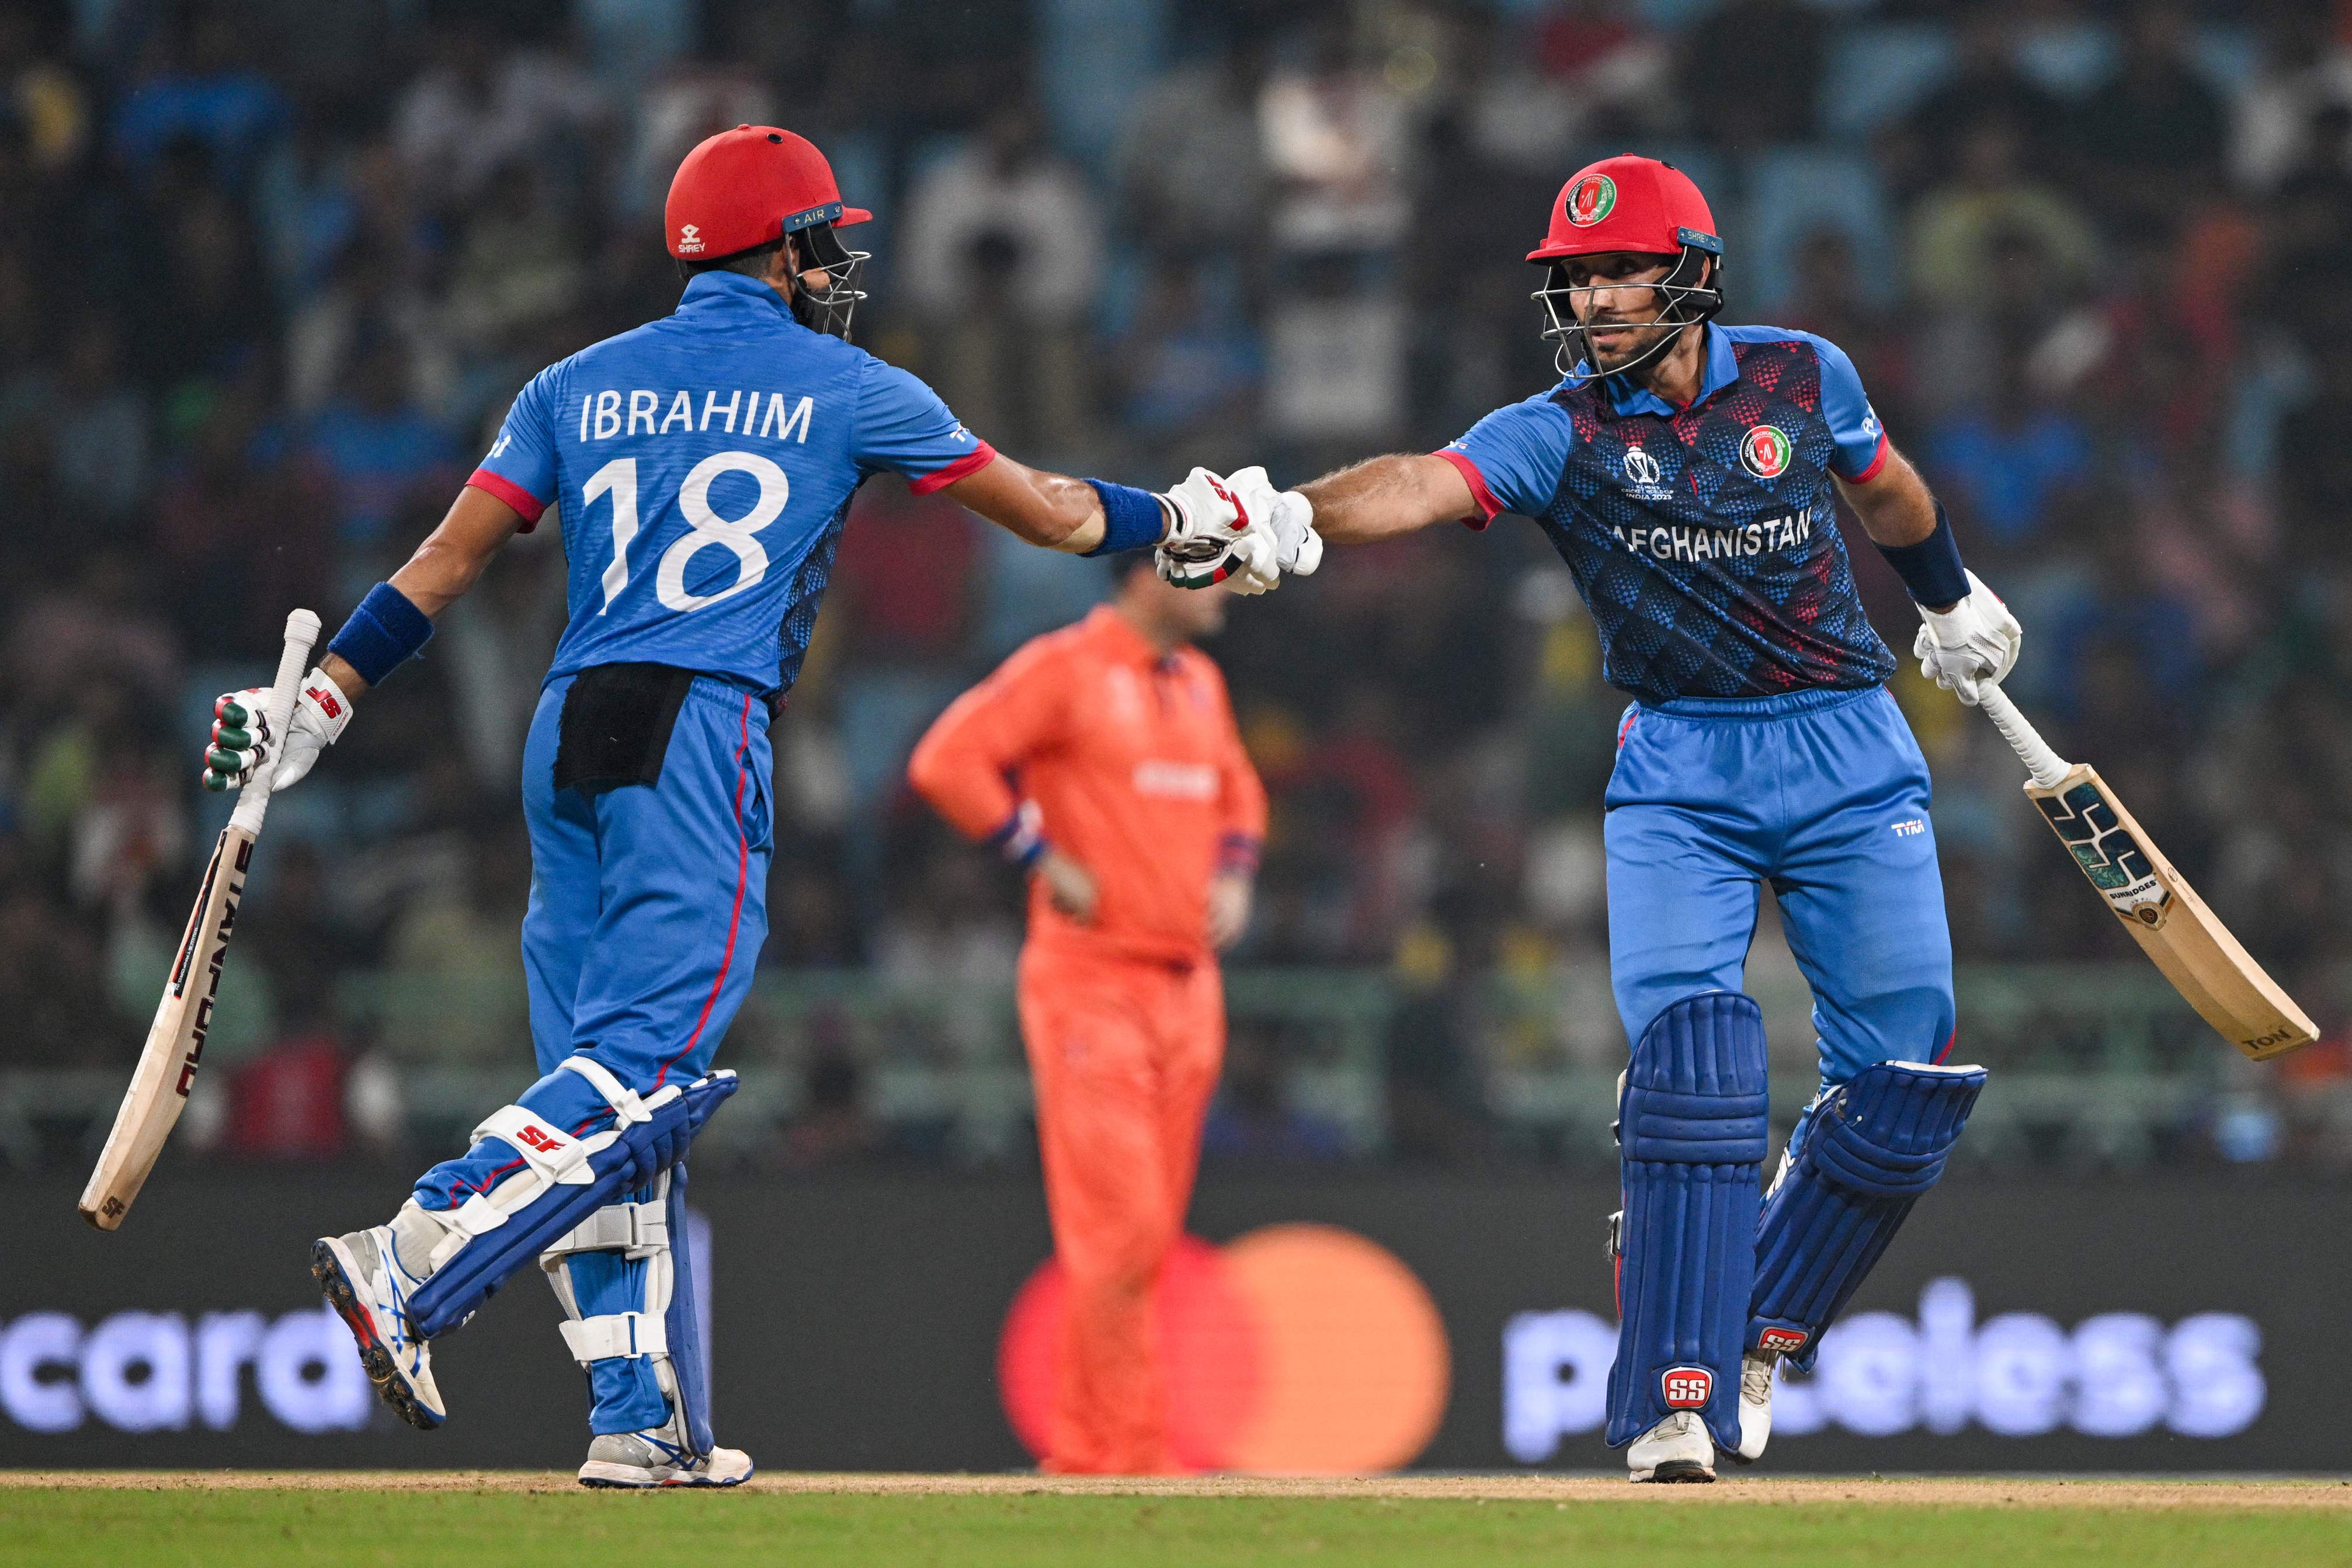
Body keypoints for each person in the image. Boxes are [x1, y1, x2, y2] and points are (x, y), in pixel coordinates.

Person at [199, 124, 1260, 1489]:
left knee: (601, 1080)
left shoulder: (572, 382)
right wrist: (1179, 515)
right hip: (702, 723)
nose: (838, 265)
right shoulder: (848, 382)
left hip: (570, 721)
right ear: (785, 248)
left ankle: (639, 1419)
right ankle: (408, 1252)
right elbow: (1051, 515)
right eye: (826, 239)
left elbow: (444, 561)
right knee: (641, 1069)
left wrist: (323, 702)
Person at [1188, 156, 2019, 1482]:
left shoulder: (1802, 373)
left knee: (1908, 1080)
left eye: (1613, 270)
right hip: (1682, 767)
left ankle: (1760, 1328)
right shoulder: (1563, 425)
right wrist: (1294, 511)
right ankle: (1665, 1400)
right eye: (1572, 276)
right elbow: (1425, 479)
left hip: (1849, 746)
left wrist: (1945, 596)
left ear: (1689, 273)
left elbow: (1887, 488)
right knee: (1698, 1069)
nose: (1586, 295)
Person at [906, 558, 1263, 1473]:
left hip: (1188, 988)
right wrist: (1035, 851)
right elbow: (947, 760)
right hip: (1091, 980)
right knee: (1123, 1225)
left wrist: (1234, 869)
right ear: (1151, 571)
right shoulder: (1063, 667)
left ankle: (1099, 1445)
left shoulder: (1202, 682)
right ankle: (1119, 1450)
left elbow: (1240, 794)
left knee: (1146, 1234)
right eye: (1213, 568)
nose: (1230, 585)